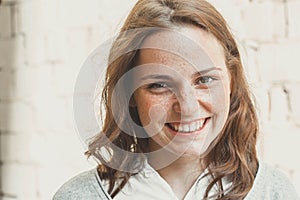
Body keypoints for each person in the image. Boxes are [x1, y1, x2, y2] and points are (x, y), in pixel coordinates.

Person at [53, 0, 299, 199]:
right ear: (130, 95)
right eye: (159, 85)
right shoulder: (79, 196)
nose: (188, 106)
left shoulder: (273, 192)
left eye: (204, 80)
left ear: (231, 82)